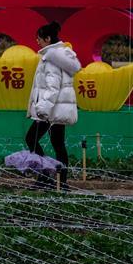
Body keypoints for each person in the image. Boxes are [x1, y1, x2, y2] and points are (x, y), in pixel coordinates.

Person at [25, 21, 81, 189]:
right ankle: (60, 182)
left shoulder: (52, 58)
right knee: (58, 144)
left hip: (49, 110)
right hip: (58, 109)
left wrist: (42, 109)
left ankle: (45, 177)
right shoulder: (61, 55)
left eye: (39, 39)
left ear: (48, 39)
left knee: (31, 139)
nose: (37, 42)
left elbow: (52, 87)